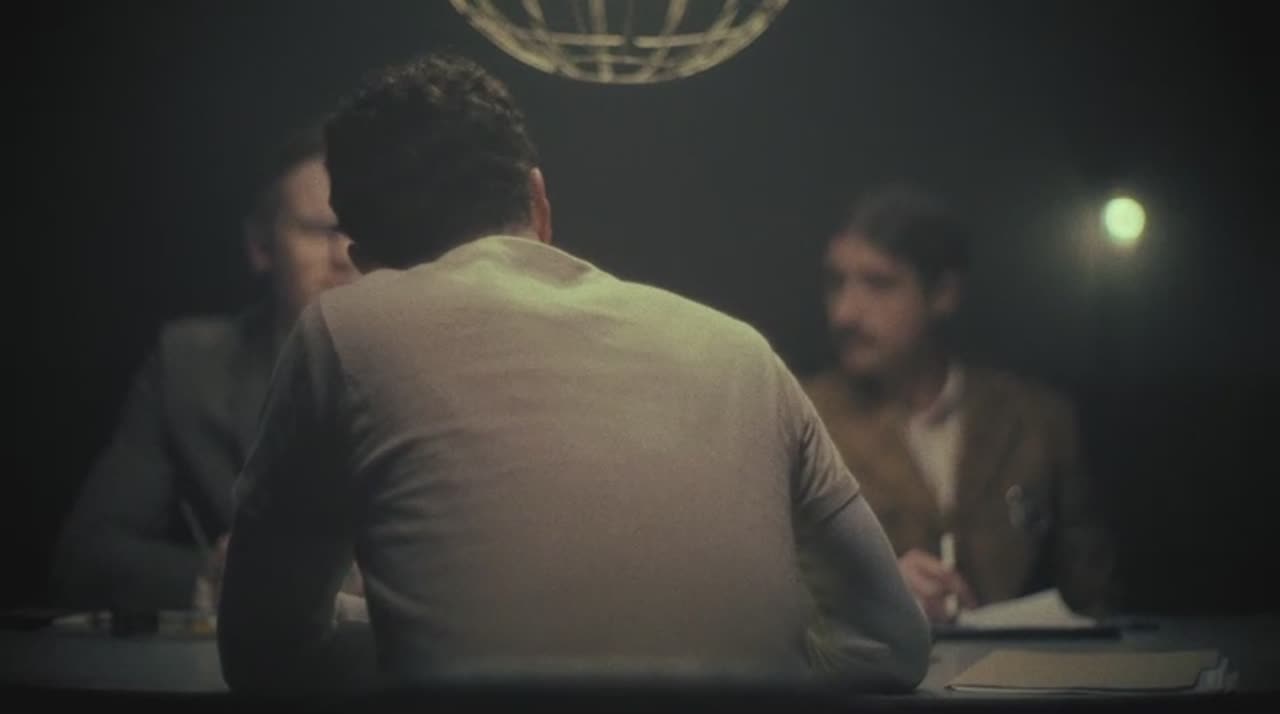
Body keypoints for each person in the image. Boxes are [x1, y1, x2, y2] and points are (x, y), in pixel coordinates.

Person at [216, 53, 931, 694]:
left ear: (363, 259)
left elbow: (265, 652)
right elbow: (893, 643)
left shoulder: (344, 331)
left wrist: (417, 636)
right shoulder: (743, 352)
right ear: (539, 203)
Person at [51, 125, 359, 612]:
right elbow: (84, 557)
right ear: (260, 246)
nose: (346, 255)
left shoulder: (454, 360)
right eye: (321, 229)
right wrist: (212, 577)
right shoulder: (189, 365)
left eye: (366, 230)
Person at [800, 184, 1115, 624]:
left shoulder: (1036, 421)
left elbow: (1096, 600)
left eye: (879, 284)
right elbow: (769, 589)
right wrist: (869, 592)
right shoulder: (803, 418)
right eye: (837, 284)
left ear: (943, 293)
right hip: (875, 666)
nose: (845, 314)